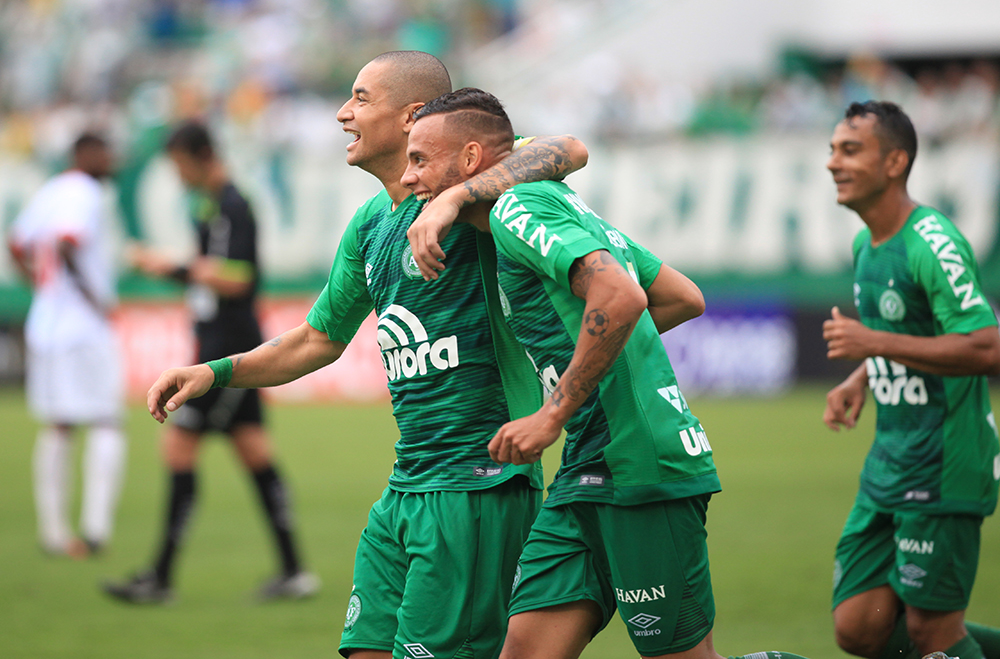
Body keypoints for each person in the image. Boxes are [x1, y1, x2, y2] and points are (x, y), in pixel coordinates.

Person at [139, 52, 590, 656]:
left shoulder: (476, 182)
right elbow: (317, 339)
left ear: (410, 118)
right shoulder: (370, 223)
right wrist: (215, 372)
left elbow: (569, 149)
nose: (342, 113)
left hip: (476, 489)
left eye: (360, 99)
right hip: (404, 489)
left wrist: (456, 200)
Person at [401, 86, 813, 659]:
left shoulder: (518, 210)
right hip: (587, 468)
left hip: (639, 462)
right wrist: (585, 366)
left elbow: (622, 298)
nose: (408, 178)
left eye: (419, 160)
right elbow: (680, 297)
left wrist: (554, 411)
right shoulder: (560, 204)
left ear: (470, 161)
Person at [103, 121, 318, 603]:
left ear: (200, 156)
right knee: (255, 453)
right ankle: (294, 571)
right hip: (222, 343)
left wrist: (172, 267)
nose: (176, 174)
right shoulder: (210, 203)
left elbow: (239, 278)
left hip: (225, 352)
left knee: (179, 449)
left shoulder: (233, 205)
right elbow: (216, 272)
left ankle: (159, 577)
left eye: (179, 163)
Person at [823, 101, 1000, 659]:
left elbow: (985, 345)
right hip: (891, 459)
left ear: (895, 161)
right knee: (859, 627)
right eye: (832, 149)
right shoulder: (864, 245)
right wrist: (863, 375)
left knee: (932, 633)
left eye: (850, 150)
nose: (833, 163)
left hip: (946, 462)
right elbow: (903, 331)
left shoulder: (933, 242)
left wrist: (873, 345)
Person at [8, 132, 127, 559]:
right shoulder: (85, 192)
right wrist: (92, 299)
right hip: (83, 327)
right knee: (107, 422)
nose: (112, 160)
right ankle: (94, 531)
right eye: (106, 152)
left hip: (47, 324)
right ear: (86, 154)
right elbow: (67, 242)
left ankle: (54, 532)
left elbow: (15, 242)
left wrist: (44, 289)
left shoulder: (51, 190)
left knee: (59, 425)